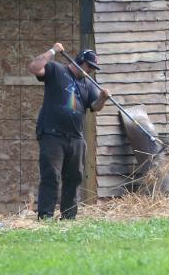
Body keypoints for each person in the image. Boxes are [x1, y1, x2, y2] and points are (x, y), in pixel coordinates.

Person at [28, 43, 110, 220]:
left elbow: (95, 106)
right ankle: (46, 216)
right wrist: (53, 51)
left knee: (74, 178)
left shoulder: (88, 83)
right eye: (90, 66)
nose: (91, 71)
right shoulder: (56, 70)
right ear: (80, 61)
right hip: (52, 134)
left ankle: (69, 217)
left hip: (76, 138)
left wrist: (103, 98)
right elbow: (34, 68)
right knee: (51, 176)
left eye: (94, 68)